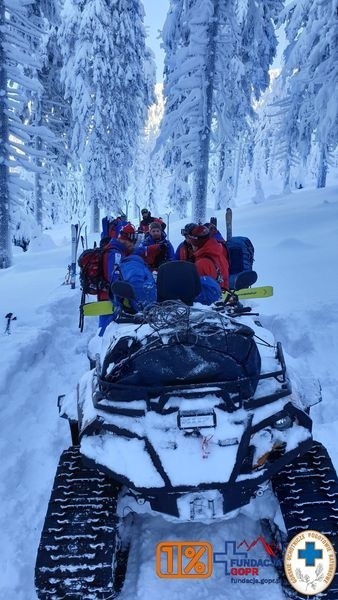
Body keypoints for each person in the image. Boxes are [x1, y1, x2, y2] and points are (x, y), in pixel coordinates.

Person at [98, 223, 138, 334]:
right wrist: (123, 294)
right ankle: (101, 348)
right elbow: (115, 277)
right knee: (106, 328)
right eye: (131, 243)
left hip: (108, 294)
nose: (132, 246)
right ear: (125, 240)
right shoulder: (115, 253)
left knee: (106, 325)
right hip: (110, 296)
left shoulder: (117, 249)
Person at [186, 224, 229, 290]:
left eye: (192, 243)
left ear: (196, 243)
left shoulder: (201, 263)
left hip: (211, 298)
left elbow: (198, 290)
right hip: (223, 295)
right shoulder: (219, 253)